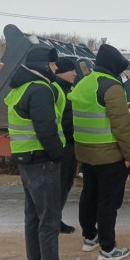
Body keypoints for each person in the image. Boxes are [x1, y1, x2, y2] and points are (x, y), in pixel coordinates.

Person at [4, 46, 79, 260]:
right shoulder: (40, 89)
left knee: (33, 213)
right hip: (42, 159)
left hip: (25, 157)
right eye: (53, 64)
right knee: (49, 217)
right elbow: (46, 129)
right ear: (43, 65)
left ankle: (34, 259)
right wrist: (59, 155)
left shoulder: (21, 88)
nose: (56, 68)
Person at [68, 44, 130, 260]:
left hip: (86, 153)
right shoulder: (112, 87)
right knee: (108, 203)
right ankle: (108, 249)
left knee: (89, 195)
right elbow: (122, 126)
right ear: (113, 66)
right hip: (109, 155)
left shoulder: (83, 83)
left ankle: (90, 237)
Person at [51, 58, 78, 234]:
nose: (75, 73)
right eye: (71, 70)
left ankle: (55, 220)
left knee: (65, 184)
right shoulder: (54, 90)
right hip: (61, 147)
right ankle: (52, 223)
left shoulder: (69, 89)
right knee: (57, 186)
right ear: (60, 72)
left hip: (70, 145)